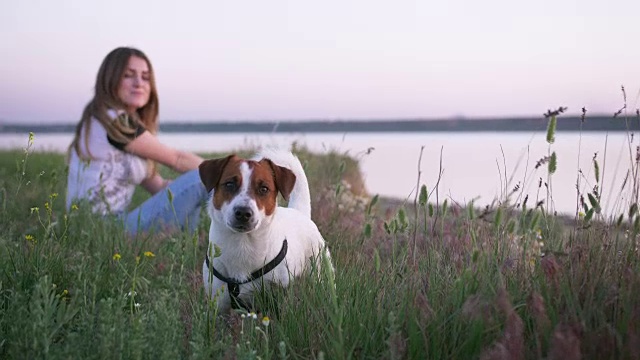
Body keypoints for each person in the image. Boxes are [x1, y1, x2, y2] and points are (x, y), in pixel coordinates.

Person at [65, 47, 208, 235]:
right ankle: (196, 246)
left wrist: (189, 192)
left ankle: (192, 245)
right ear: (110, 79)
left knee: (194, 185)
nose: (139, 83)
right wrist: (233, 172)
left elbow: (158, 186)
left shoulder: (112, 123)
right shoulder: (114, 120)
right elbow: (177, 159)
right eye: (128, 75)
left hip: (103, 229)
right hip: (103, 229)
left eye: (145, 77)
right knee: (201, 177)